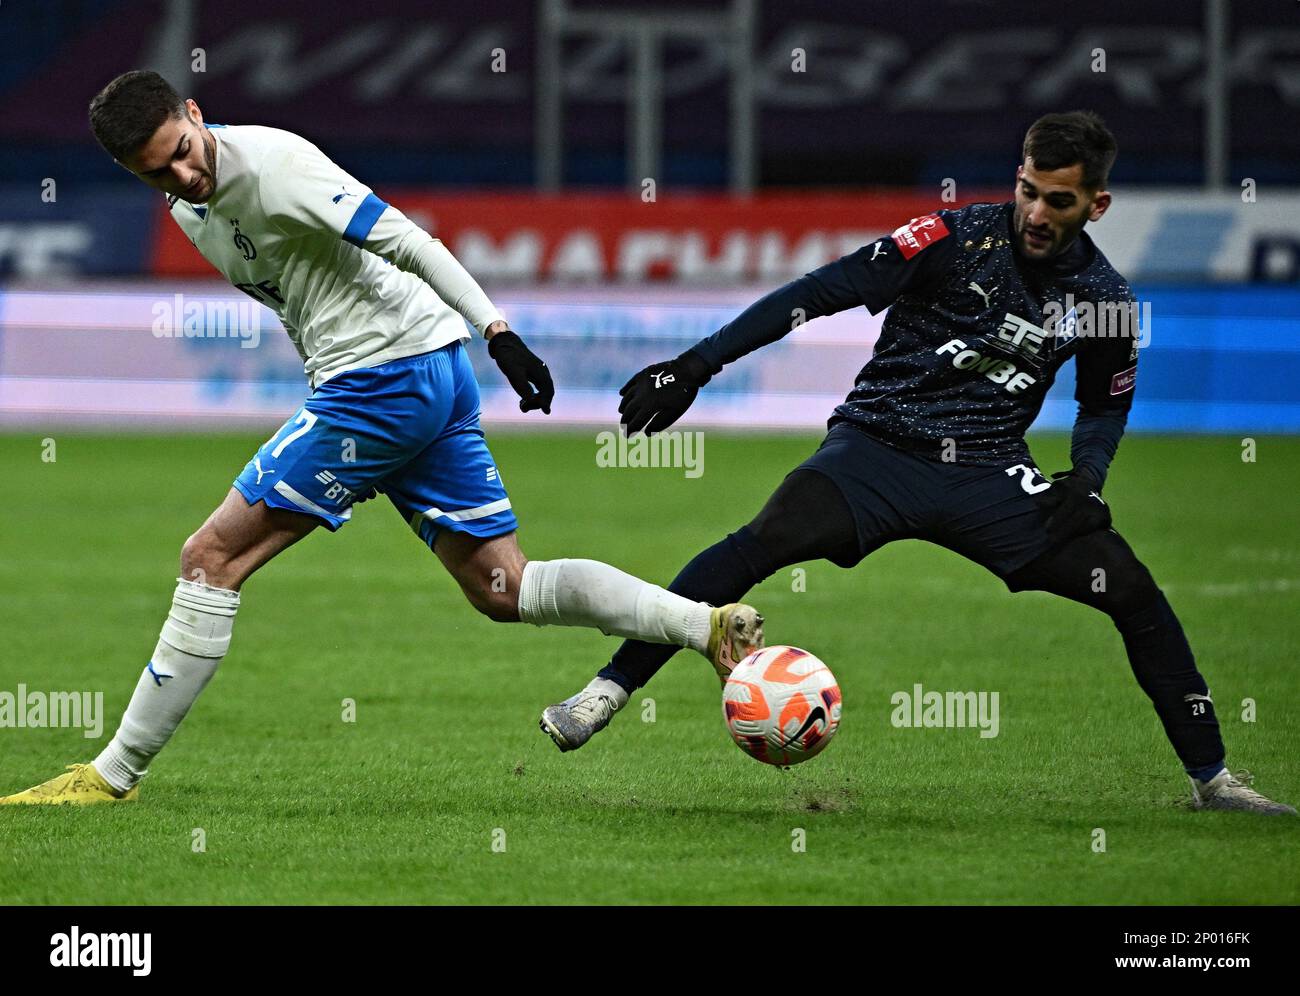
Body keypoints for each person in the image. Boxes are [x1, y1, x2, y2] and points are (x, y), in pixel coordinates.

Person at [1, 71, 763, 806]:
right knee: (502, 586)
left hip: (384, 381)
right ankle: (707, 625)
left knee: (210, 559)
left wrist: (497, 330)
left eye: (182, 149)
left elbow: (407, 240)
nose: (183, 174)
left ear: (195, 114)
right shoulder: (186, 210)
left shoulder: (276, 165)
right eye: (156, 171)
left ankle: (113, 773)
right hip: (412, 374)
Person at [539, 111, 1294, 816]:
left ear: (1096, 205)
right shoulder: (947, 238)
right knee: (759, 542)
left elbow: (1104, 404)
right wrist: (697, 366)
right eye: (1028, 190)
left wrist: (1087, 479)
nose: (1035, 213)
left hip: (989, 474)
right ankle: (607, 689)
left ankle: (1214, 780)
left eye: (1058, 201)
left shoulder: (1104, 300)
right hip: (876, 450)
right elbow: (820, 291)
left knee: (1130, 588)